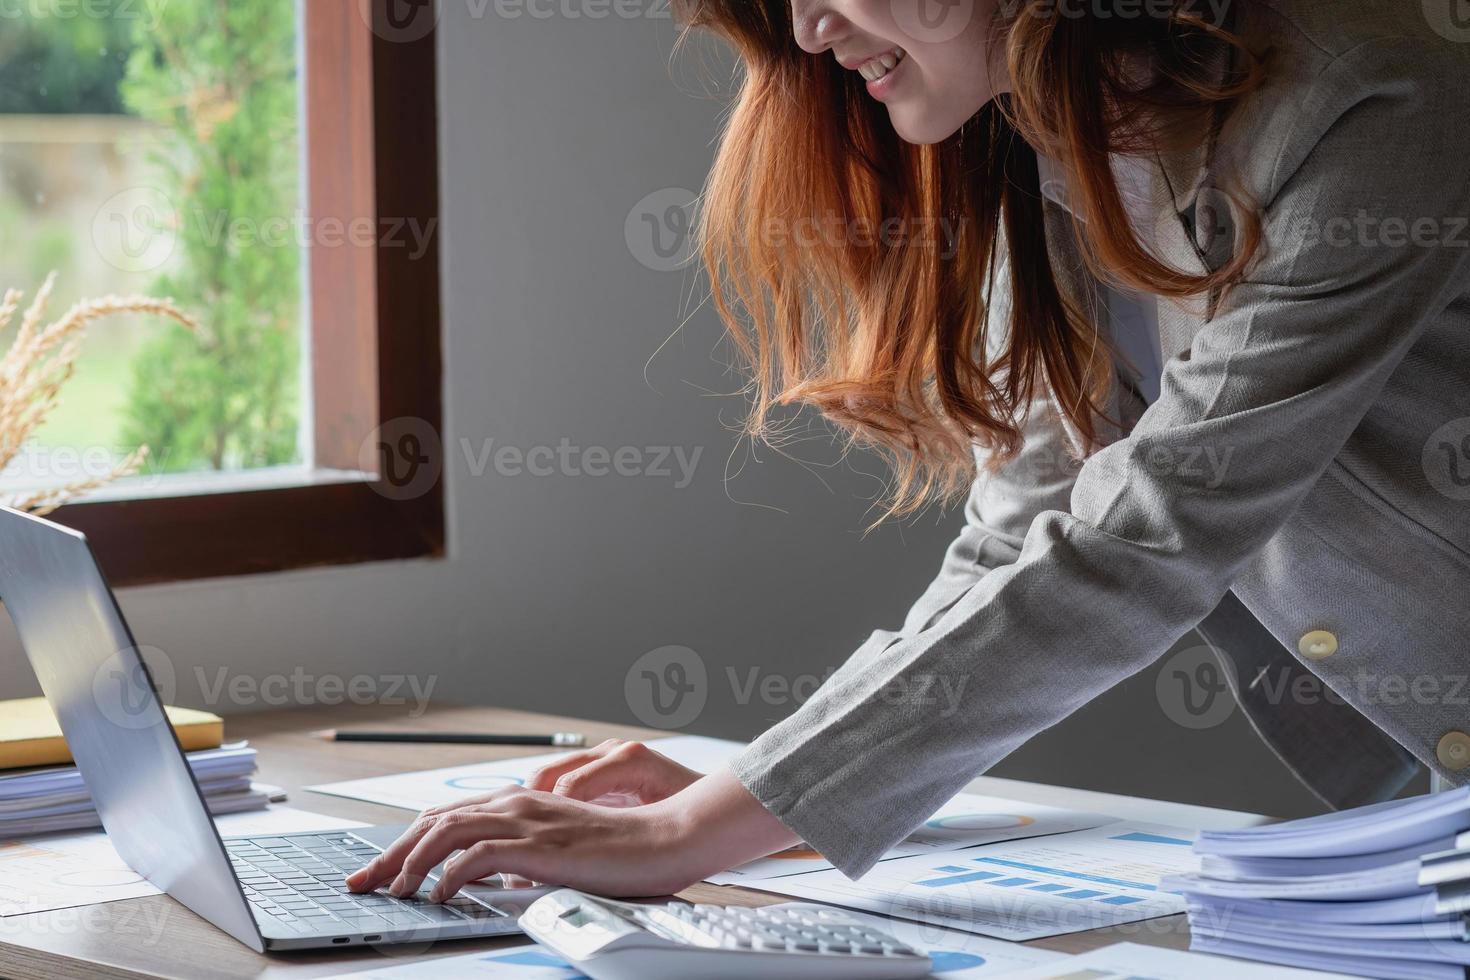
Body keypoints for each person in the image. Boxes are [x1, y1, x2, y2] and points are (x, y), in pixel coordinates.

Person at [347, 0, 1470, 903]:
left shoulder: (1363, 95)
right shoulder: (1046, 138)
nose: (805, 31)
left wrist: (700, 827)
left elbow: (1150, 533)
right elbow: (1022, 537)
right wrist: (770, 786)